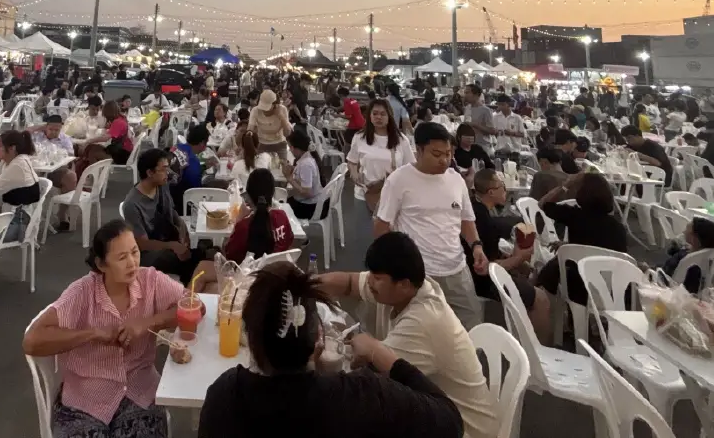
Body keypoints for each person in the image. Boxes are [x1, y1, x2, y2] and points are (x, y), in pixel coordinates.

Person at [197, 260, 465, 438]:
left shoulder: (226, 397)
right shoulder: (363, 396)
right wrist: (383, 356)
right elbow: (450, 422)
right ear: (319, 338)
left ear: (251, 339)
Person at [317, 232, 499, 438]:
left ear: (403, 284)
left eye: (377, 278)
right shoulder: (403, 288)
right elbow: (350, 282)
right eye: (371, 274)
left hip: (462, 427)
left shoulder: (422, 321)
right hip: (435, 408)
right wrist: (307, 284)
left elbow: (368, 382)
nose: (370, 282)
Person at [22, 220, 186, 438]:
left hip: (139, 392)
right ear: (101, 265)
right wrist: (93, 333)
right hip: (85, 401)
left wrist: (148, 323)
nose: (132, 263)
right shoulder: (82, 292)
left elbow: (195, 305)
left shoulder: (150, 281)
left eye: (135, 252)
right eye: (122, 257)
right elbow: (32, 341)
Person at [374, 121, 487, 330]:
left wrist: (477, 246)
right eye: (436, 154)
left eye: (448, 154)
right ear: (418, 151)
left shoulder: (456, 180)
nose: (444, 160)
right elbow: (382, 226)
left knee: (472, 328)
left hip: (456, 269)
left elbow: (466, 220)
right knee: (417, 331)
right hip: (418, 274)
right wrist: (390, 267)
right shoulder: (399, 180)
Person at [469, 169, 552, 342]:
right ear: (491, 192)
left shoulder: (477, 211)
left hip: (480, 275)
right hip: (483, 282)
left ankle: (524, 339)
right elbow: (487, 267)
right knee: (541, 299)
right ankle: (540, 353)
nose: (505, 191)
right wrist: (518, 258)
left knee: (529, 278)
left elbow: (490, 253)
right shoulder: (482, 219)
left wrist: (516, 261)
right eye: (502, 187)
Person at [536, 172, 629, 307]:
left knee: (554, 265)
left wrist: (566, 185)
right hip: (612, 290)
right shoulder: (618, 228)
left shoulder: (574, 216)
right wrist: (570, 246)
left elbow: (543, 203)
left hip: (578, 286)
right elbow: (605, 249)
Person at [122, 148, 202, 282]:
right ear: (150, 173)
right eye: (164, 169)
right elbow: (142, 244)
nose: (168, 173)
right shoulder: (132, 204)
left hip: (169, 241)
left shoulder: (162, 185)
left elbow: (173, 214)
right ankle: (188, 289)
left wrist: (184, 236)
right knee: (193, 262)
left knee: (204, 252)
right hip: (150, 254)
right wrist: (172, 246)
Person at [347, 99, 415, 212]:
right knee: (363, 223)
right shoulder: (359, 137)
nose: (378, 117)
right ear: (369, 116)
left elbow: (410, 167)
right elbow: (352, 161)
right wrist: (354, 174)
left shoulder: (401, 140)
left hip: (392, 196)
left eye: (383, 114)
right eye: (375, 114)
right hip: (364, 194)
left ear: (389, 116)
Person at [224, 168, 294, 264]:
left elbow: (229, 255)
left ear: (248, 196)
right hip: (278, 270)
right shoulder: (282, 216)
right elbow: (289, 242)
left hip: (249, 272)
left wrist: (239, 219)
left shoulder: (244, 226)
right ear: (272, 193)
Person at [662, 217, 714, 294]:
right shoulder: (704, 256)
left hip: (667, 289)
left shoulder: (688, 261)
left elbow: (666, 278)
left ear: (695, 239)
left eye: (686, 230)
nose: (683, 232)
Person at [282, 127, 322, 219]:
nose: (290, 150)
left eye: (290, 147)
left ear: (295, 148)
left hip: (308, 206)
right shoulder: (307, 158)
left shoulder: (305, 164)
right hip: (309, 202)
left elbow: (307, 193)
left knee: (279, 207)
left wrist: (289, 179)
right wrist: (294, 168)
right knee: (284, 199)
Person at [249, 89, 293, 161]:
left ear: (275, 105)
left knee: (282, 165)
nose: (264, 110)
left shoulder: (282, 109)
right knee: (261, 165)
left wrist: (281, 116)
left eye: (267, 108)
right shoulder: (255, 110)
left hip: (280, 143)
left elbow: (287, 133)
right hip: (261, 143)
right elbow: (250, 130)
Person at [174, 123, 213, 193]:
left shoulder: (176, 147)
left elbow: (185, 171)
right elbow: (195, 190)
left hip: (168, 191)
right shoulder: (193, 161)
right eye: (206, 143)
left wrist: (203, 167)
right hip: (182, 196)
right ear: (202, 143)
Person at [462, 85, 496, 151]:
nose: (465, 95)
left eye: (467, 93)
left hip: (482, 147)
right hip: (468, 146)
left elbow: (492, 131)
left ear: (476, 95)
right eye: (465, 93)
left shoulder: (486, 110)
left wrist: (476, 125)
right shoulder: (467, 108)